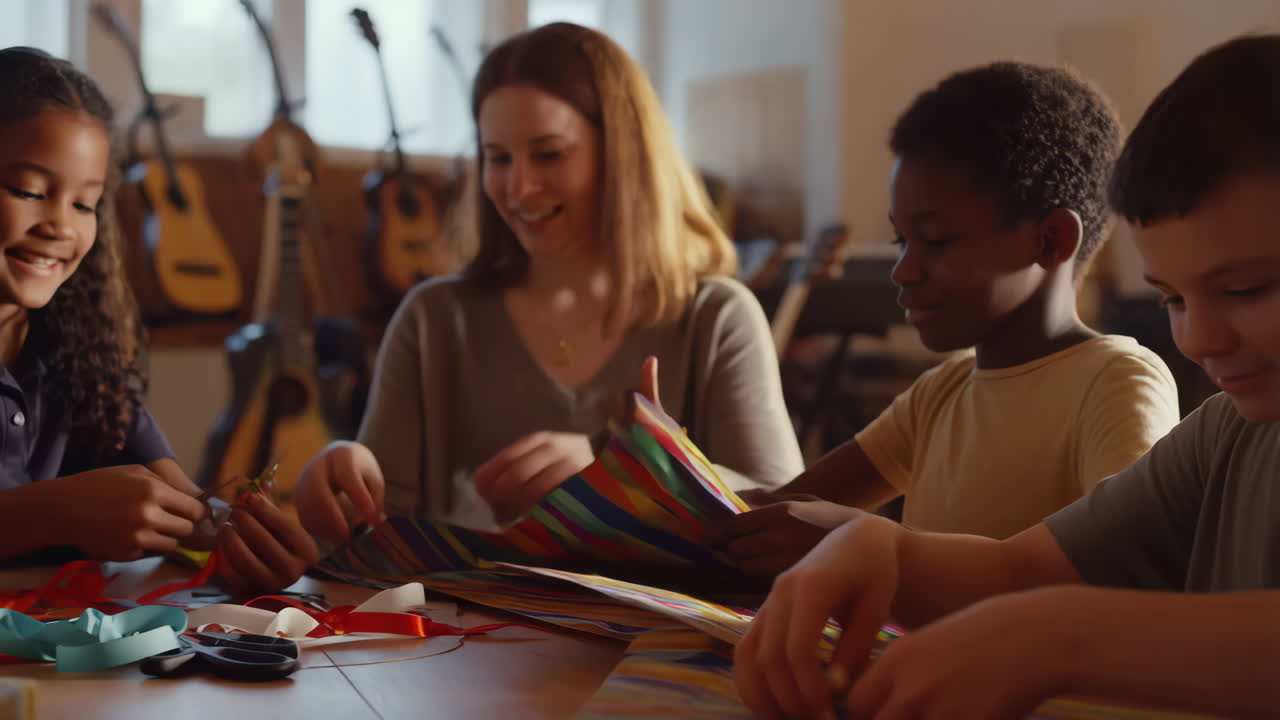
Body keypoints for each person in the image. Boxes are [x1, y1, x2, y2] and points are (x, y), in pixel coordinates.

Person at [733, 35, 1280, 720]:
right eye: (1172, 298)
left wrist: (1054, 636)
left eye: (1249, 288)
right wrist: (877, 548)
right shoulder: (1222, 438)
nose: (1197, 339)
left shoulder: (1121, 382)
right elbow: (1025, 570)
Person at [295, 22, 802, 542]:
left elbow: (784, 509)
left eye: (549, 154)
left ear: (622, 157)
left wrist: (621, 477)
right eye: (498, 158)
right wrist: (343, 472)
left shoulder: (717, 318)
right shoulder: (432, 319)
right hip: (462, 622)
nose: (519, 188)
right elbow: (379, 528)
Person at [716, 61, 1181, 577]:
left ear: (1050, 241)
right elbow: (781, 512)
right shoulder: (941, 393)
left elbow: (1124, 576)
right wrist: (669, 468)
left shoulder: (1116, 384)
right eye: (902, 240)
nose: (903, 270)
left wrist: (860, 542)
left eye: (935, 241)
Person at [0, 47, 316, 594]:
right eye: (29, 191)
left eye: (84, 205)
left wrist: (234, 538)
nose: (59, 224)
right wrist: (55, 513)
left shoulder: (78, 351)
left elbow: (182, 503)